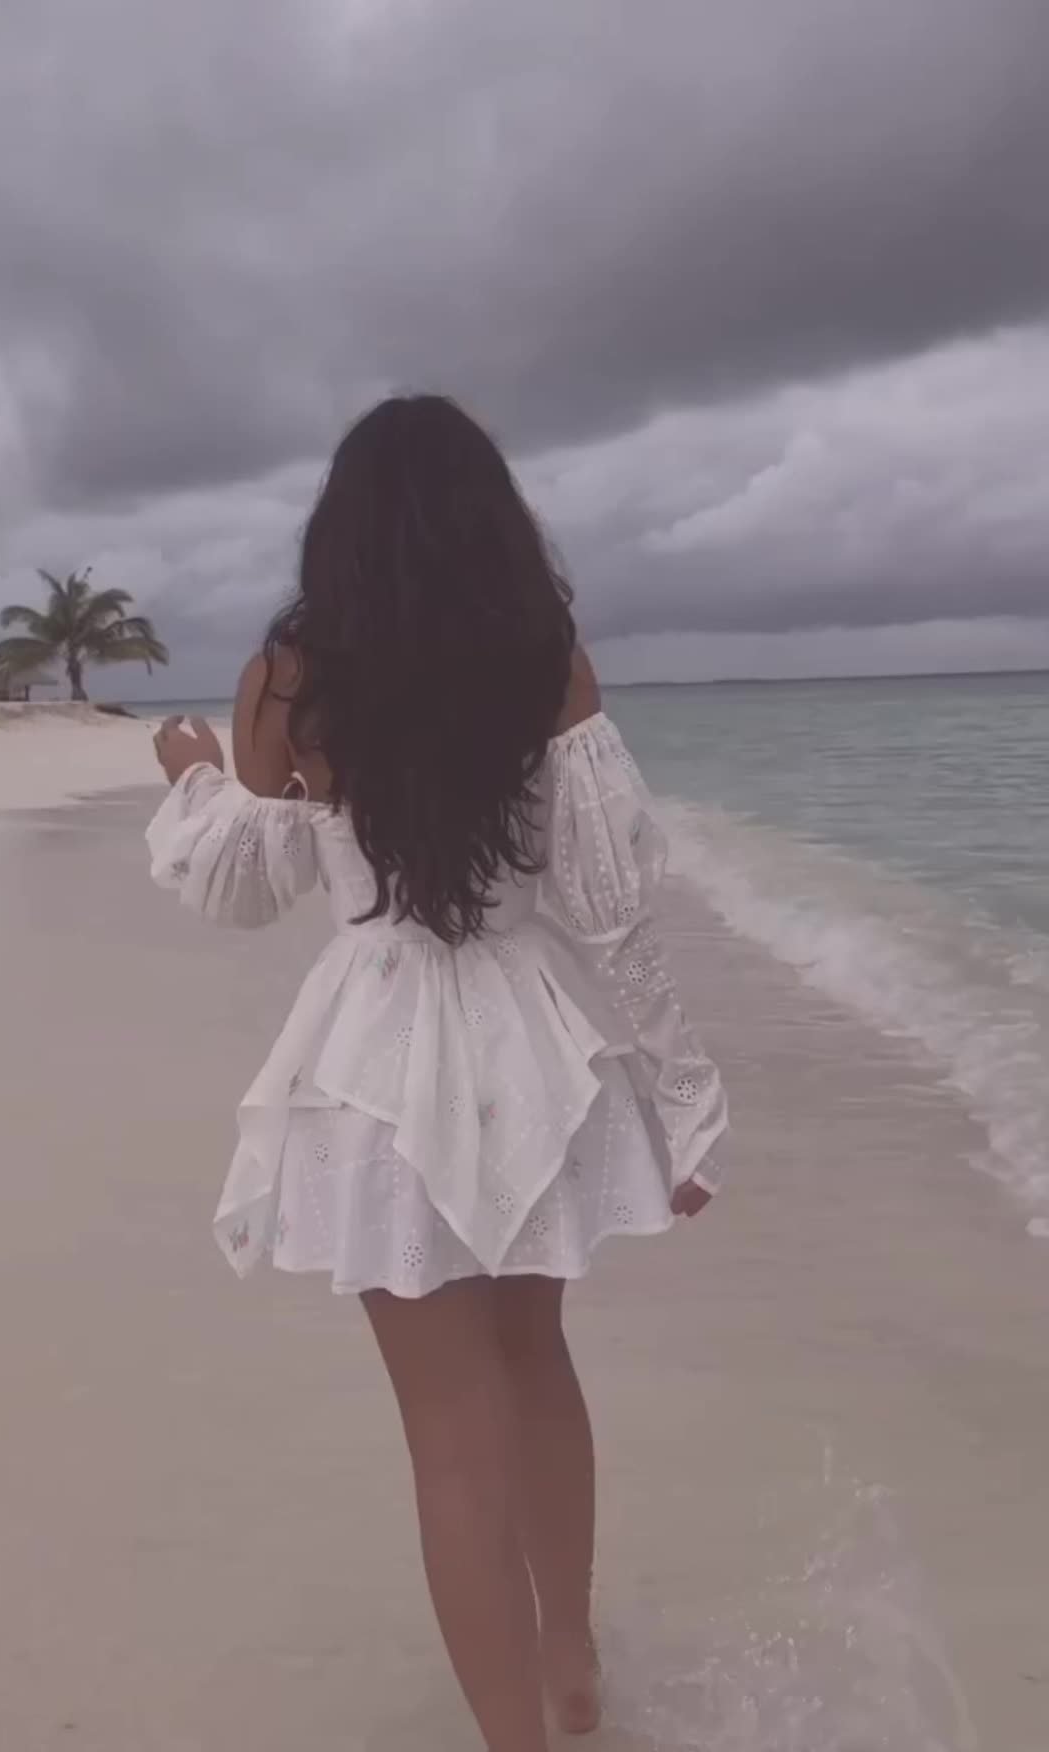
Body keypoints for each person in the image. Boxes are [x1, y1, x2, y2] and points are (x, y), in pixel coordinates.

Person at [148, 394, 727, 1752]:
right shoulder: (545, 659)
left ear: (340, 533)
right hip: (531, 1047)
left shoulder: (291, 676)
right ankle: (570, 1658)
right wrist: (685, 1103)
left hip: (379, 1062)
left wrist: (185, 775)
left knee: (450, 1440)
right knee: (538, 1364)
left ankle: (517, 1737)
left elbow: (260, 861)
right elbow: (608, 901)